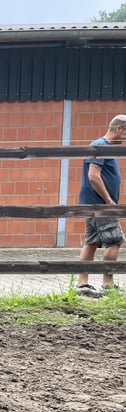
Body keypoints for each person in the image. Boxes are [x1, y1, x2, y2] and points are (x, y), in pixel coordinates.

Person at [75, 114, 126, 297]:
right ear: (119, 129)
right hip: (100, 204)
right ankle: (108, 284)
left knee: (92, 242)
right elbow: (93, 176)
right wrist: (108, 201)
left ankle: (83, 285)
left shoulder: (104, 147)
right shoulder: (101, 146)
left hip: (92, 203)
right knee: (115, 241)